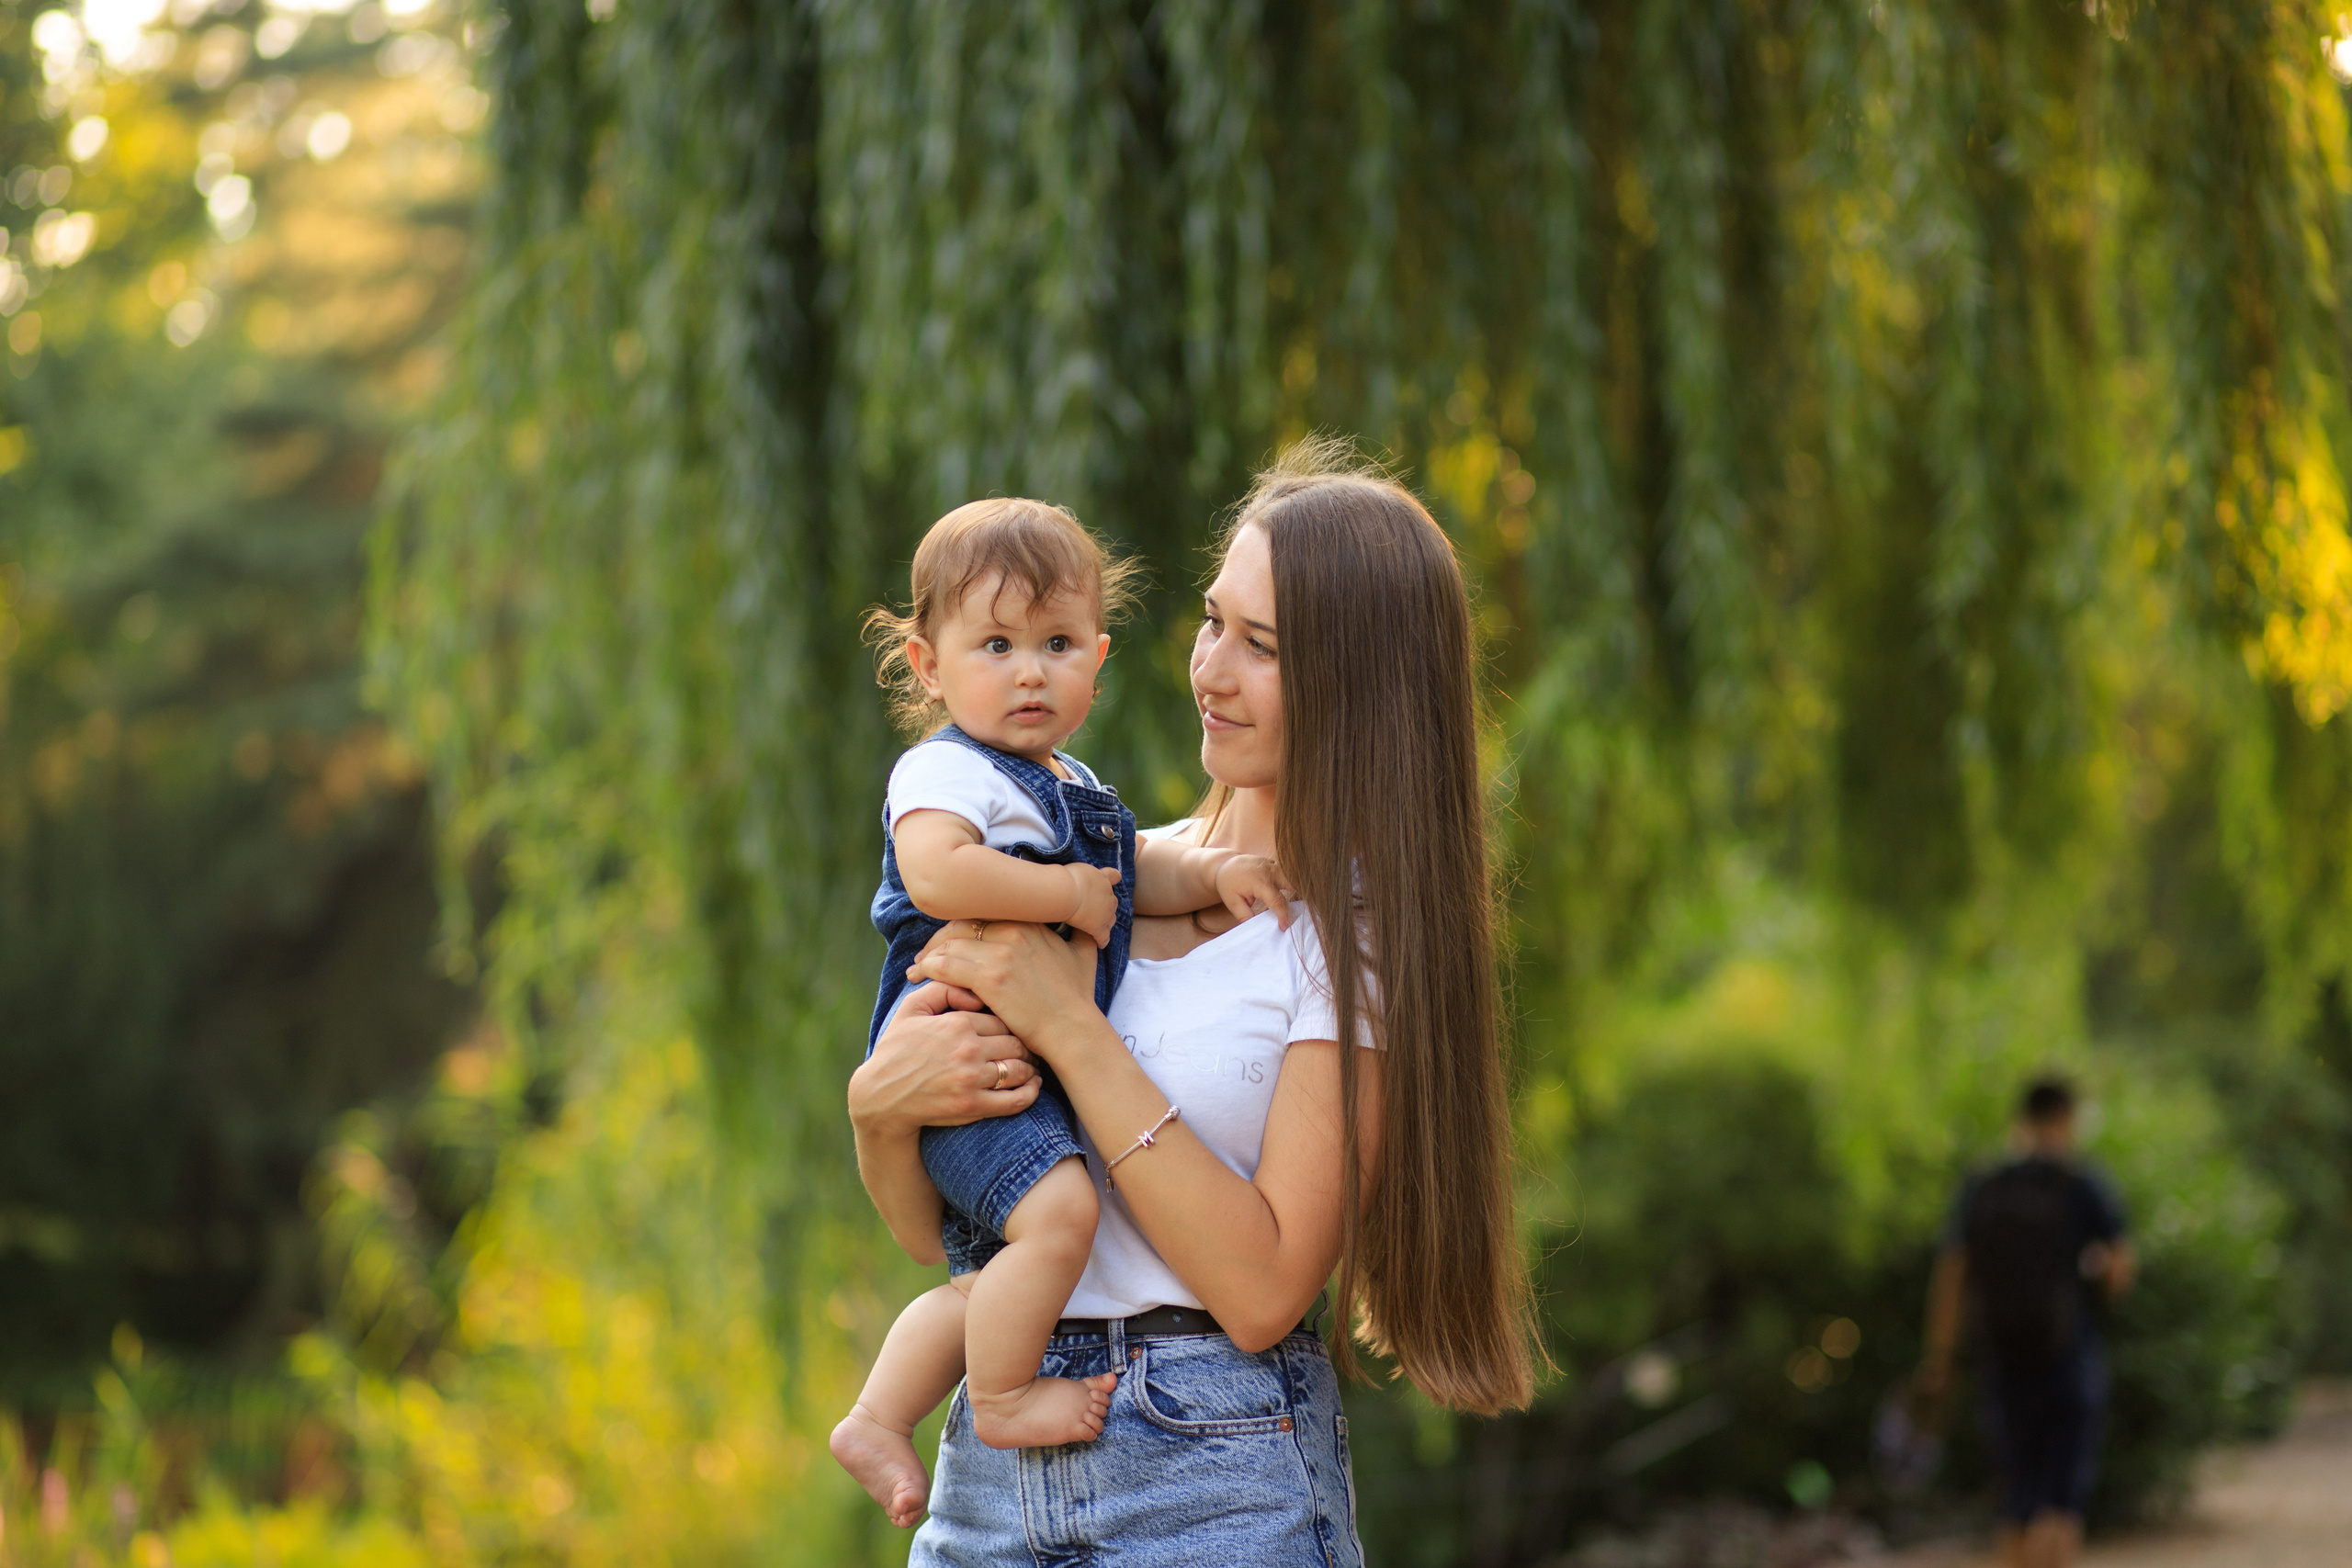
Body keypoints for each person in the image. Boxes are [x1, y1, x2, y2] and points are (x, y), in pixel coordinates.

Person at [850, 440, 1540, 1562]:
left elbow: (1265, 1290)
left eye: (1260, 647)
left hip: (1211, 1471)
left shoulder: (1343, 940)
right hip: (989, 1461)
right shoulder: (1089, 866)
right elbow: (931, 1239)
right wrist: (878, 1110)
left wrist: (1070, 1027)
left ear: (1361, 684)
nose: (1210, 671)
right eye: (1213, 621)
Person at [831, 498, 1293, 1529]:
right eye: (994, 644)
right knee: (1060, 1220)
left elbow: (1142, 870)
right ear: (927, 664)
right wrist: (1067, 900)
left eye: (1055, 644)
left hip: (1199, 1438)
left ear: (1099, 655)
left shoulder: (1072, 787)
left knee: (995, 1274)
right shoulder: (945, 770)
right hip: (970, 1056)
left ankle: (876, 1414)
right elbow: (939, 871)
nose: (1028, 670)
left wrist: (1215, 872)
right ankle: (995, 1398)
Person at [1917, 1076, 2135, 1568]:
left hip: (2003, 1358)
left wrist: (1940, 1357)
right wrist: (2097, 1268)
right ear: (2067, 1118)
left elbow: (1952, 1273)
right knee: (2060, 1503)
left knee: (2016, 1500)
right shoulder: (2082, 1183)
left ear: (2022, 1118)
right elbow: (2121, 1273)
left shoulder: (1984, 1184)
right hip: (2069, 1357)